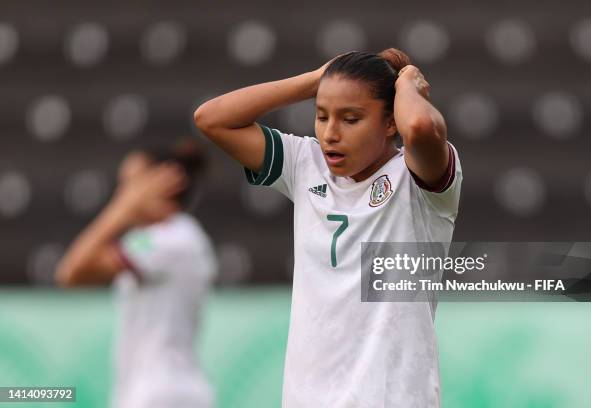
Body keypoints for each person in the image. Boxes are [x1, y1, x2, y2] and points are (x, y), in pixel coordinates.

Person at [194, 48, 462, 407]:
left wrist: (408, 83)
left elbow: (419, 126)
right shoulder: (305, 164)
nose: (330, 133)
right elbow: (210, 118)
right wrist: (317, 79)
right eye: (321, 116)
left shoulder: (417, 181)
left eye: (350, 119)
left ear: (389, 122)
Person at [55, 140, 217, 408]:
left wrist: (120, 210)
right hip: (153, 392)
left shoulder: (174, 237)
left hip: (165, 394)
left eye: (131, 186)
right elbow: (71, 273)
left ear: (163, 184)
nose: (124, 195)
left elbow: (72, 270)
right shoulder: (155, 240)